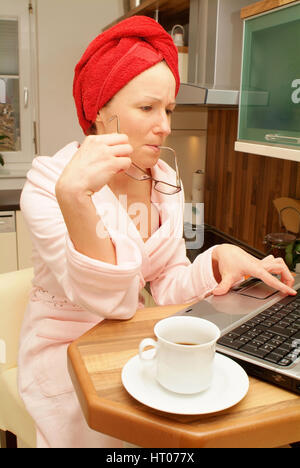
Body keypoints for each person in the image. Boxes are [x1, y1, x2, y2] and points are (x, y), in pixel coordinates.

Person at [18, 16, 295, 449]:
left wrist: (220, 261)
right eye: (147, 108)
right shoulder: (49, 186)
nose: (165, 125)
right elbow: (112, 301)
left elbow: (166, 284)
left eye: (168, 109)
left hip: (135, 343)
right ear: (101, 111)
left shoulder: (164, 178)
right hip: (68, 354)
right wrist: (76, 199)